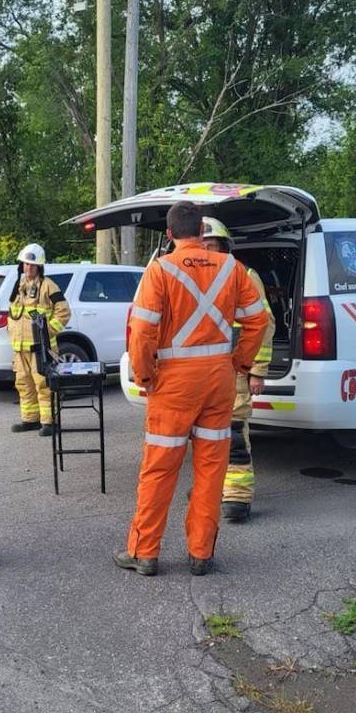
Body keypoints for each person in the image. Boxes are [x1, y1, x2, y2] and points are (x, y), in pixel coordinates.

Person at [114, 202, 269, 577]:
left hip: (173, 385)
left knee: (159, 469)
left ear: (169, 235)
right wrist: (240, 363)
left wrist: (144, 376)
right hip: (218, 381)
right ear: (202, 230)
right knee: (211, 470)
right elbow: (259, 320)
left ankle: (144, 553)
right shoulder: (232, 267)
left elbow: (143, 330)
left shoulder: (160, 269)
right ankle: (201, 554)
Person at [200, 217, 275, 523]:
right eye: (202, 246)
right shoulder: (186, 275)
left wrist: (258, 369)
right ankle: (212, 488)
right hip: (196, 372)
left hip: (233, 369)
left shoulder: (243, 275)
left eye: (212, 246)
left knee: (232, 434)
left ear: (225, 247)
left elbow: (263, 322)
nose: (207, 252)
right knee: (203, 436)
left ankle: (237, 497)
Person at [7, 243, 71, 436]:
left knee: (44, 385)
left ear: (39, 267)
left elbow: (63, 312)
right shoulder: (19, 286)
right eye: (26, 264)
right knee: (24, 384)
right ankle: (30, 420)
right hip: (20, 349)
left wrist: (47, 332)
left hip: (41, 349)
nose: (29, 268)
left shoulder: (48, 286)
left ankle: (49, 422)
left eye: (33, 265)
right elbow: (13, 314)